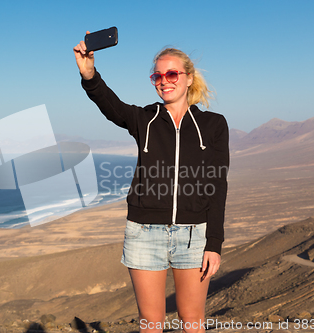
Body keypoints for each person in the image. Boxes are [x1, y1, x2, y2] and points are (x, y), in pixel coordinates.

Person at [73, 33, 229, 333]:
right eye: (157, 75)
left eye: (172, 73)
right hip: (144, 234)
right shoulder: (144, 119)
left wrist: (214, 243)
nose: (164, 80)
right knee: (151, 324)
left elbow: (217, 186)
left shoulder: (213, 125)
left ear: (188, 78)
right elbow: (110, 105)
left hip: (193, 236)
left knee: (193, 322)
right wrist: (89, 74)